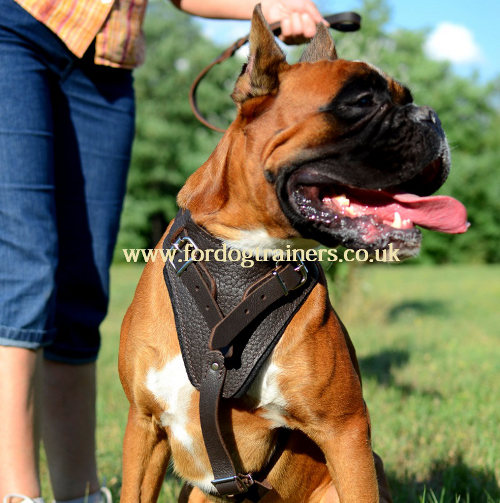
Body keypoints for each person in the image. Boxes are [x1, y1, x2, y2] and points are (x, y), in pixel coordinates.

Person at [0, 1, 326, 502]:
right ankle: (16, 494)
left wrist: (264, 5)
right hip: (17, 27)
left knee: (82, 286)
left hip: (106, 60)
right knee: (27, 270)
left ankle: (80, 493)